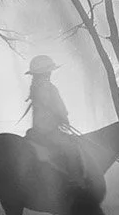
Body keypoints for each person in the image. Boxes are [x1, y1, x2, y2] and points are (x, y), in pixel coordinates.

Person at [23, 55, 85, 185]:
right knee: (71, 149)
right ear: (45, 72)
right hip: (47, 130)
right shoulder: (47, 87)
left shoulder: (35, 86)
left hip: (40, 128)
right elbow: (54, 106)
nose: (50, 73)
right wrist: (63, 118)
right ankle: (76, 182)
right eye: (49, 70)